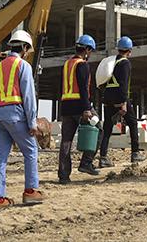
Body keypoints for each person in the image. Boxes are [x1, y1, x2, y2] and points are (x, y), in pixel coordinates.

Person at [0, 30, 46, 212]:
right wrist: (32, 124)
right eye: (28, 49)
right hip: (15, 114)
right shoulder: (23, 66)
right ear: (24, 47)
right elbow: (28, 97)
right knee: (30, 150)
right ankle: (30, 191)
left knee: (0, 157)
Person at [57, 34, 99, 183]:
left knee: (66, 141)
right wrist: (87, 108)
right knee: (98, 128)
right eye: (91, 50)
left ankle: (63, 175)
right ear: (86, 49)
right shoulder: (82, 65)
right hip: (80, 106)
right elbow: (82, 88)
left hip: (66, 106)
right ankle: (86, 162)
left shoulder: (67, 64)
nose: (90, 54)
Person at [98, 36, 145, 167]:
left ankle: (103, 158)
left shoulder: (112, 62)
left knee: (107, 128)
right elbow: (124, 84)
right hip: (119, 98)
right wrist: (123, 102)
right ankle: (135, 153)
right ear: (129, 50)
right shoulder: (125, 63)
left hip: (108, 98)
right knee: (133, 123)